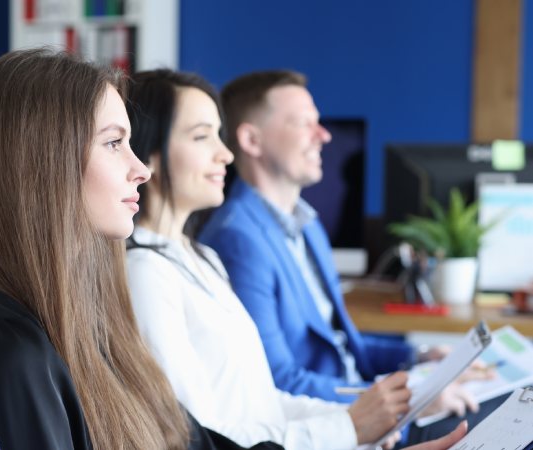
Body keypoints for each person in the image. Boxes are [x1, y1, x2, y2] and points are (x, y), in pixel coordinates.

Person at [0, 48, 288, 450]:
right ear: (45, 163)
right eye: (113, 143)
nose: (141, 169)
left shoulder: (97, 323)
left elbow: (193, 440)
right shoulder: (9, 347)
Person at [124, 68, 417, 449]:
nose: (225, 153)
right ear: (149, 155)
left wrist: (352, 421)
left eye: (219, 133)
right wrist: (348, 429)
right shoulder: (145, 273)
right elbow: (198, 438)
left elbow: (260, 403)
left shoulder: (202, 257)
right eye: (201, 136)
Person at [196, 70, 493, 442]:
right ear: (252, 140)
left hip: (361, 408)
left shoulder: (307, 224)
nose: (323, 135)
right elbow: (276, 381)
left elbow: (344, 346)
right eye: (304, 123)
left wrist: (420, 357)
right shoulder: (237, 239)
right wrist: (408, 400)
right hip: (335, 426)